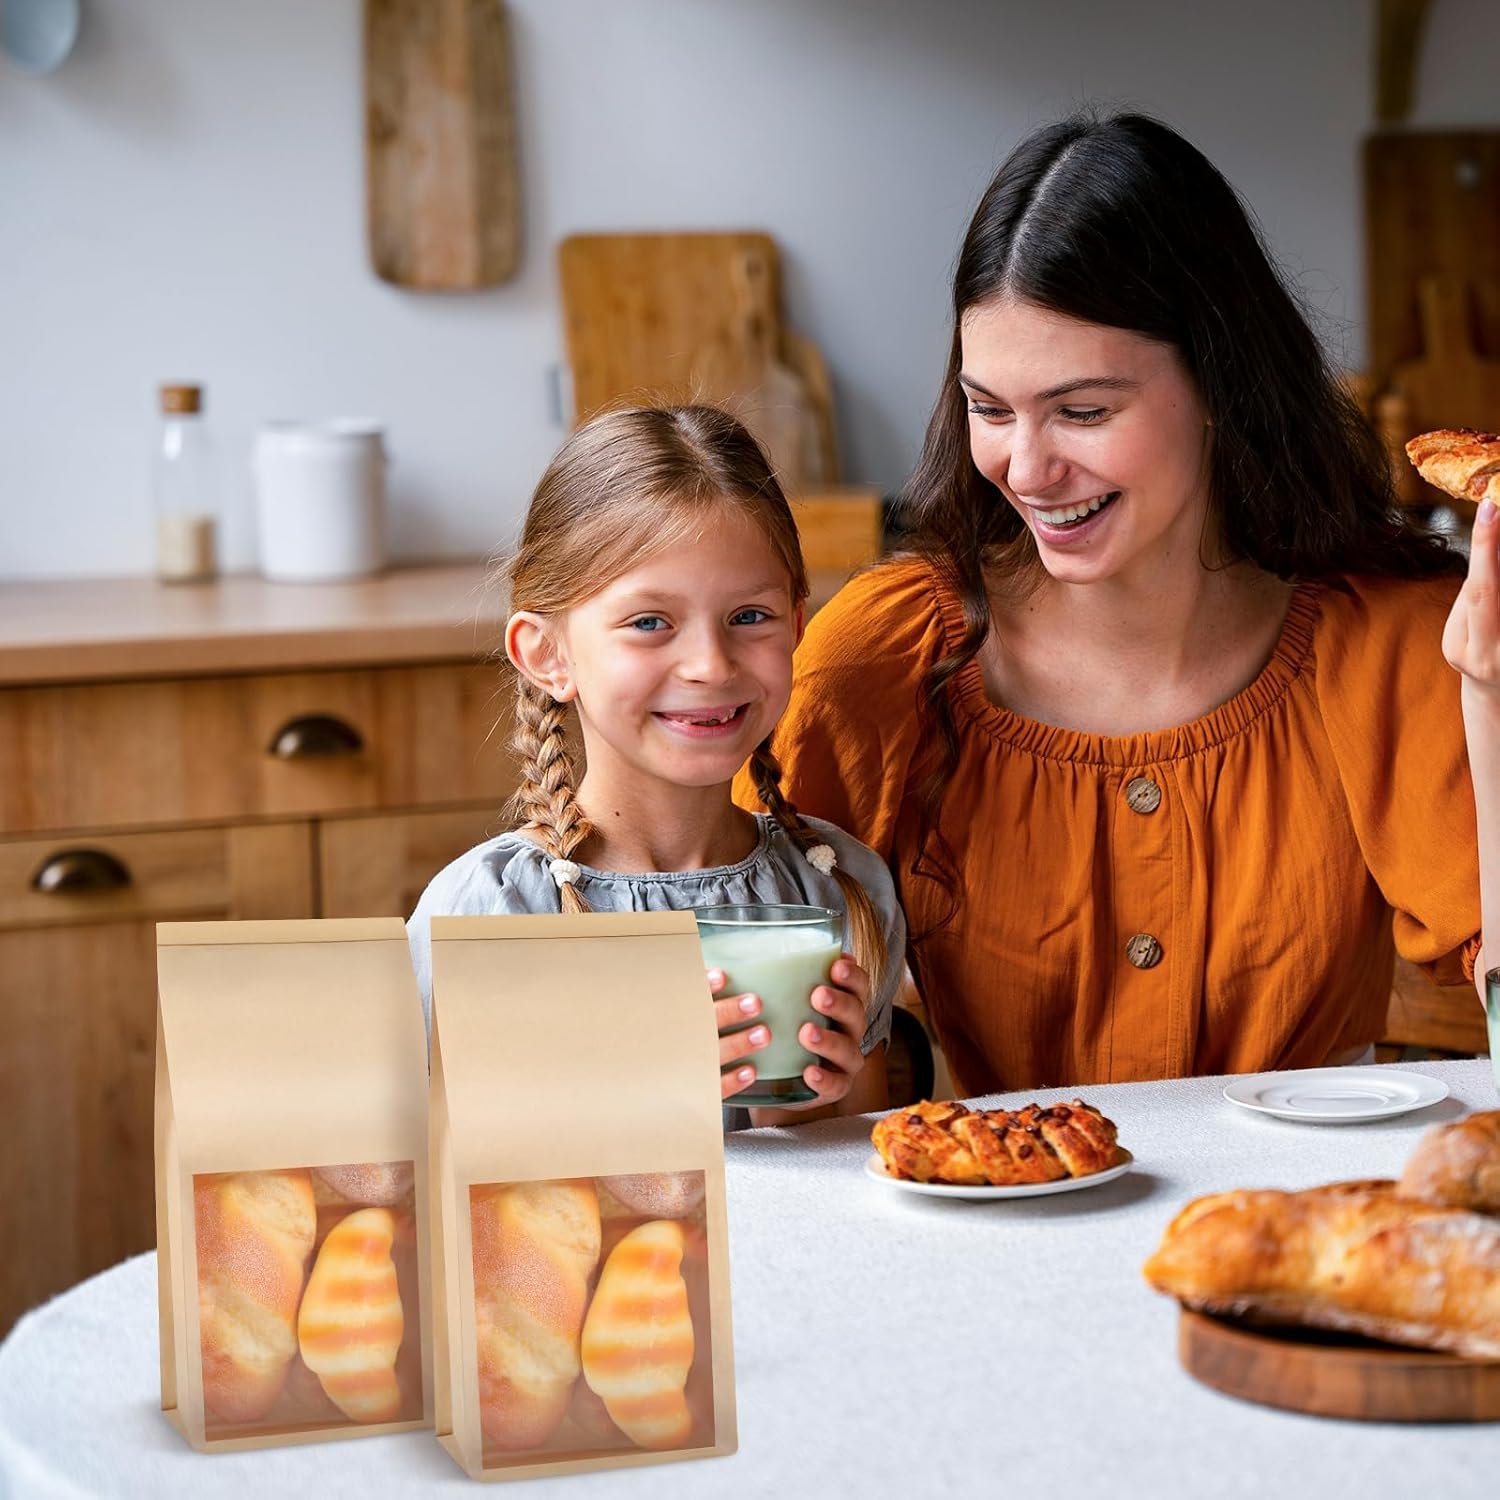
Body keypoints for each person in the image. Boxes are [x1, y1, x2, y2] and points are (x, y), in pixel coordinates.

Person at [741, 110, 1499, 1097]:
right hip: (983, 1225)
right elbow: (750, 1013)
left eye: (1084, 412)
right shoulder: (879, 656)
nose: (1028, 466)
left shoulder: (1391, 647)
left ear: (1220, 382)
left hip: (1288, 1228)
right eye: (990, 408)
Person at [407, 403, 903, 1125]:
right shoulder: (489, 915)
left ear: (796, 627)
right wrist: (643, 1087)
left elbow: (846, 1187)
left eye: (749, 616)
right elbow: (455, 1197)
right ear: (548, 654)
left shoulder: (845, 890)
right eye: (649, 623)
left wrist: (810, 1097)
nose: (709, 664)